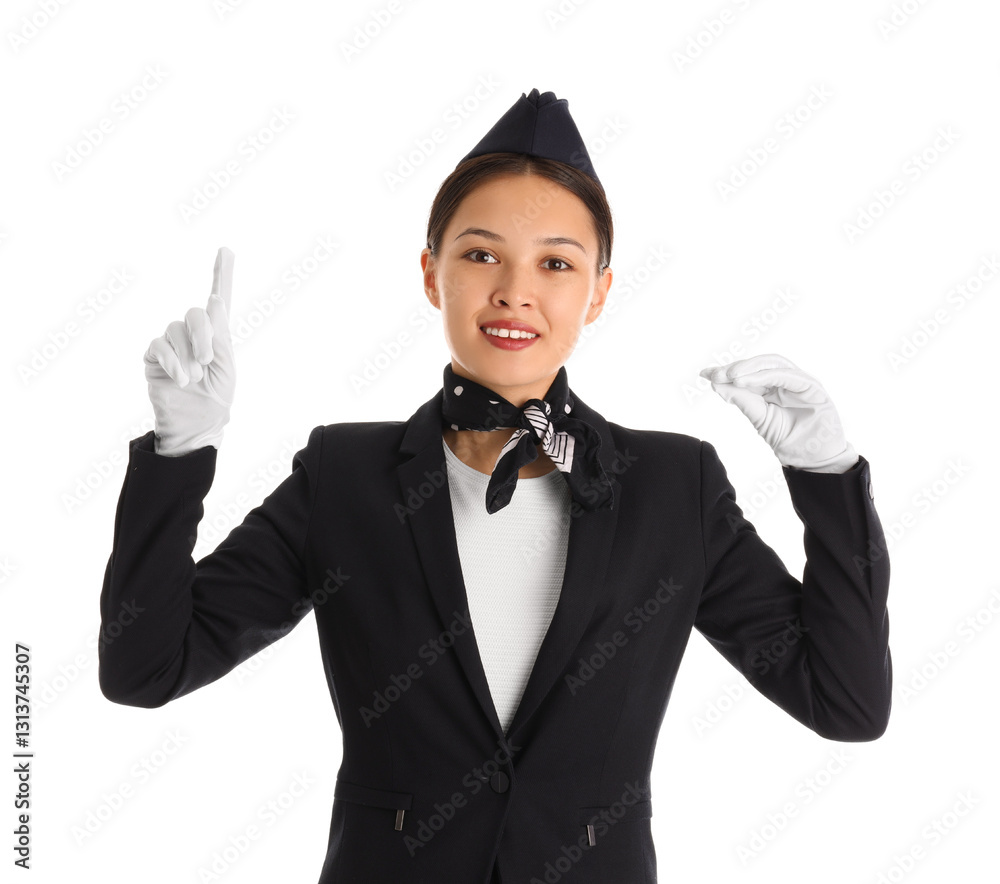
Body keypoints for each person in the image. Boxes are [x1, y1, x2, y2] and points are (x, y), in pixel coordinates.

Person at [99, 89, 892, 884]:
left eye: (556, 263)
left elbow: (846, 702)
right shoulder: (342, 476)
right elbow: (146, 668)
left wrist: (825, 472)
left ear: (599, 291)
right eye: (481, 255)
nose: (515, 290)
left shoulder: (672, 486)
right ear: (431, 274)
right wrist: (182, 447)